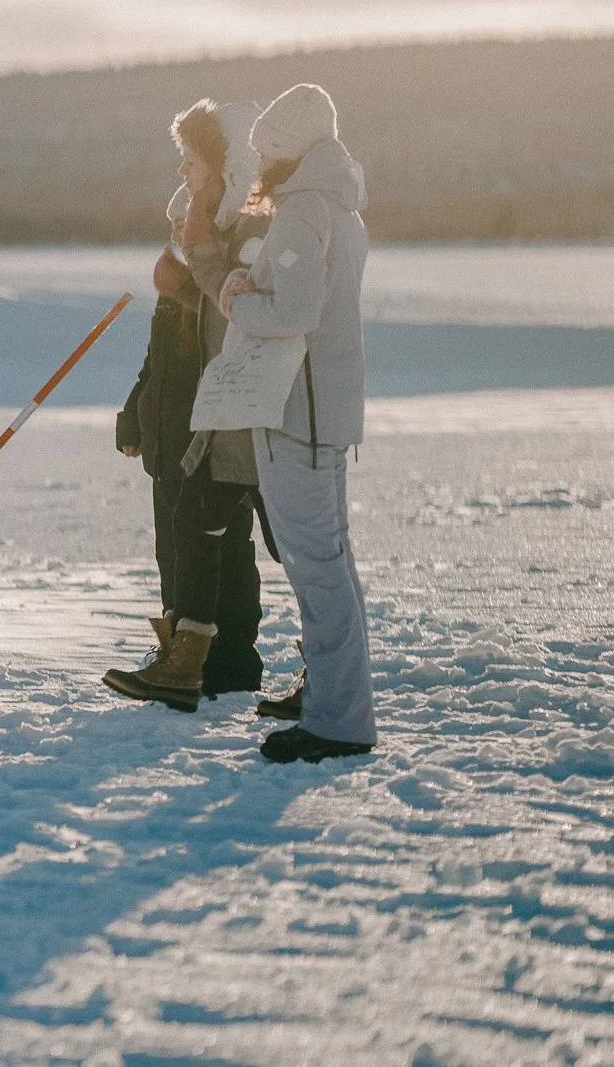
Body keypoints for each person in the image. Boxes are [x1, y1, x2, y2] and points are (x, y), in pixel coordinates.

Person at [221, 83, 374, 763]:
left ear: (286, 149)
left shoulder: (305, 210)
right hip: (320, 411)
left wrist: (237, 303)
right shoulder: (336, 206)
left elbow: (295, 312)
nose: (258, 166)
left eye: (265, 151)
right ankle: (330, 696)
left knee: (317, 566)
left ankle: (339, 718)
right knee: (327, 561)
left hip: (298, 414)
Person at [106, 99, 270, 711]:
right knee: (179, 545)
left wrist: (185, 282)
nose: (183, 173)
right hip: (173, 428)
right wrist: (134, 412)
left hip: (217, 426)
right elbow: (159, 359)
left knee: (227, 544)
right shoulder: (185, 269)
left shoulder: (241, 245)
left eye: (192, 161)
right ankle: (186, 650)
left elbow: (226, 334)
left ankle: (229, 659)